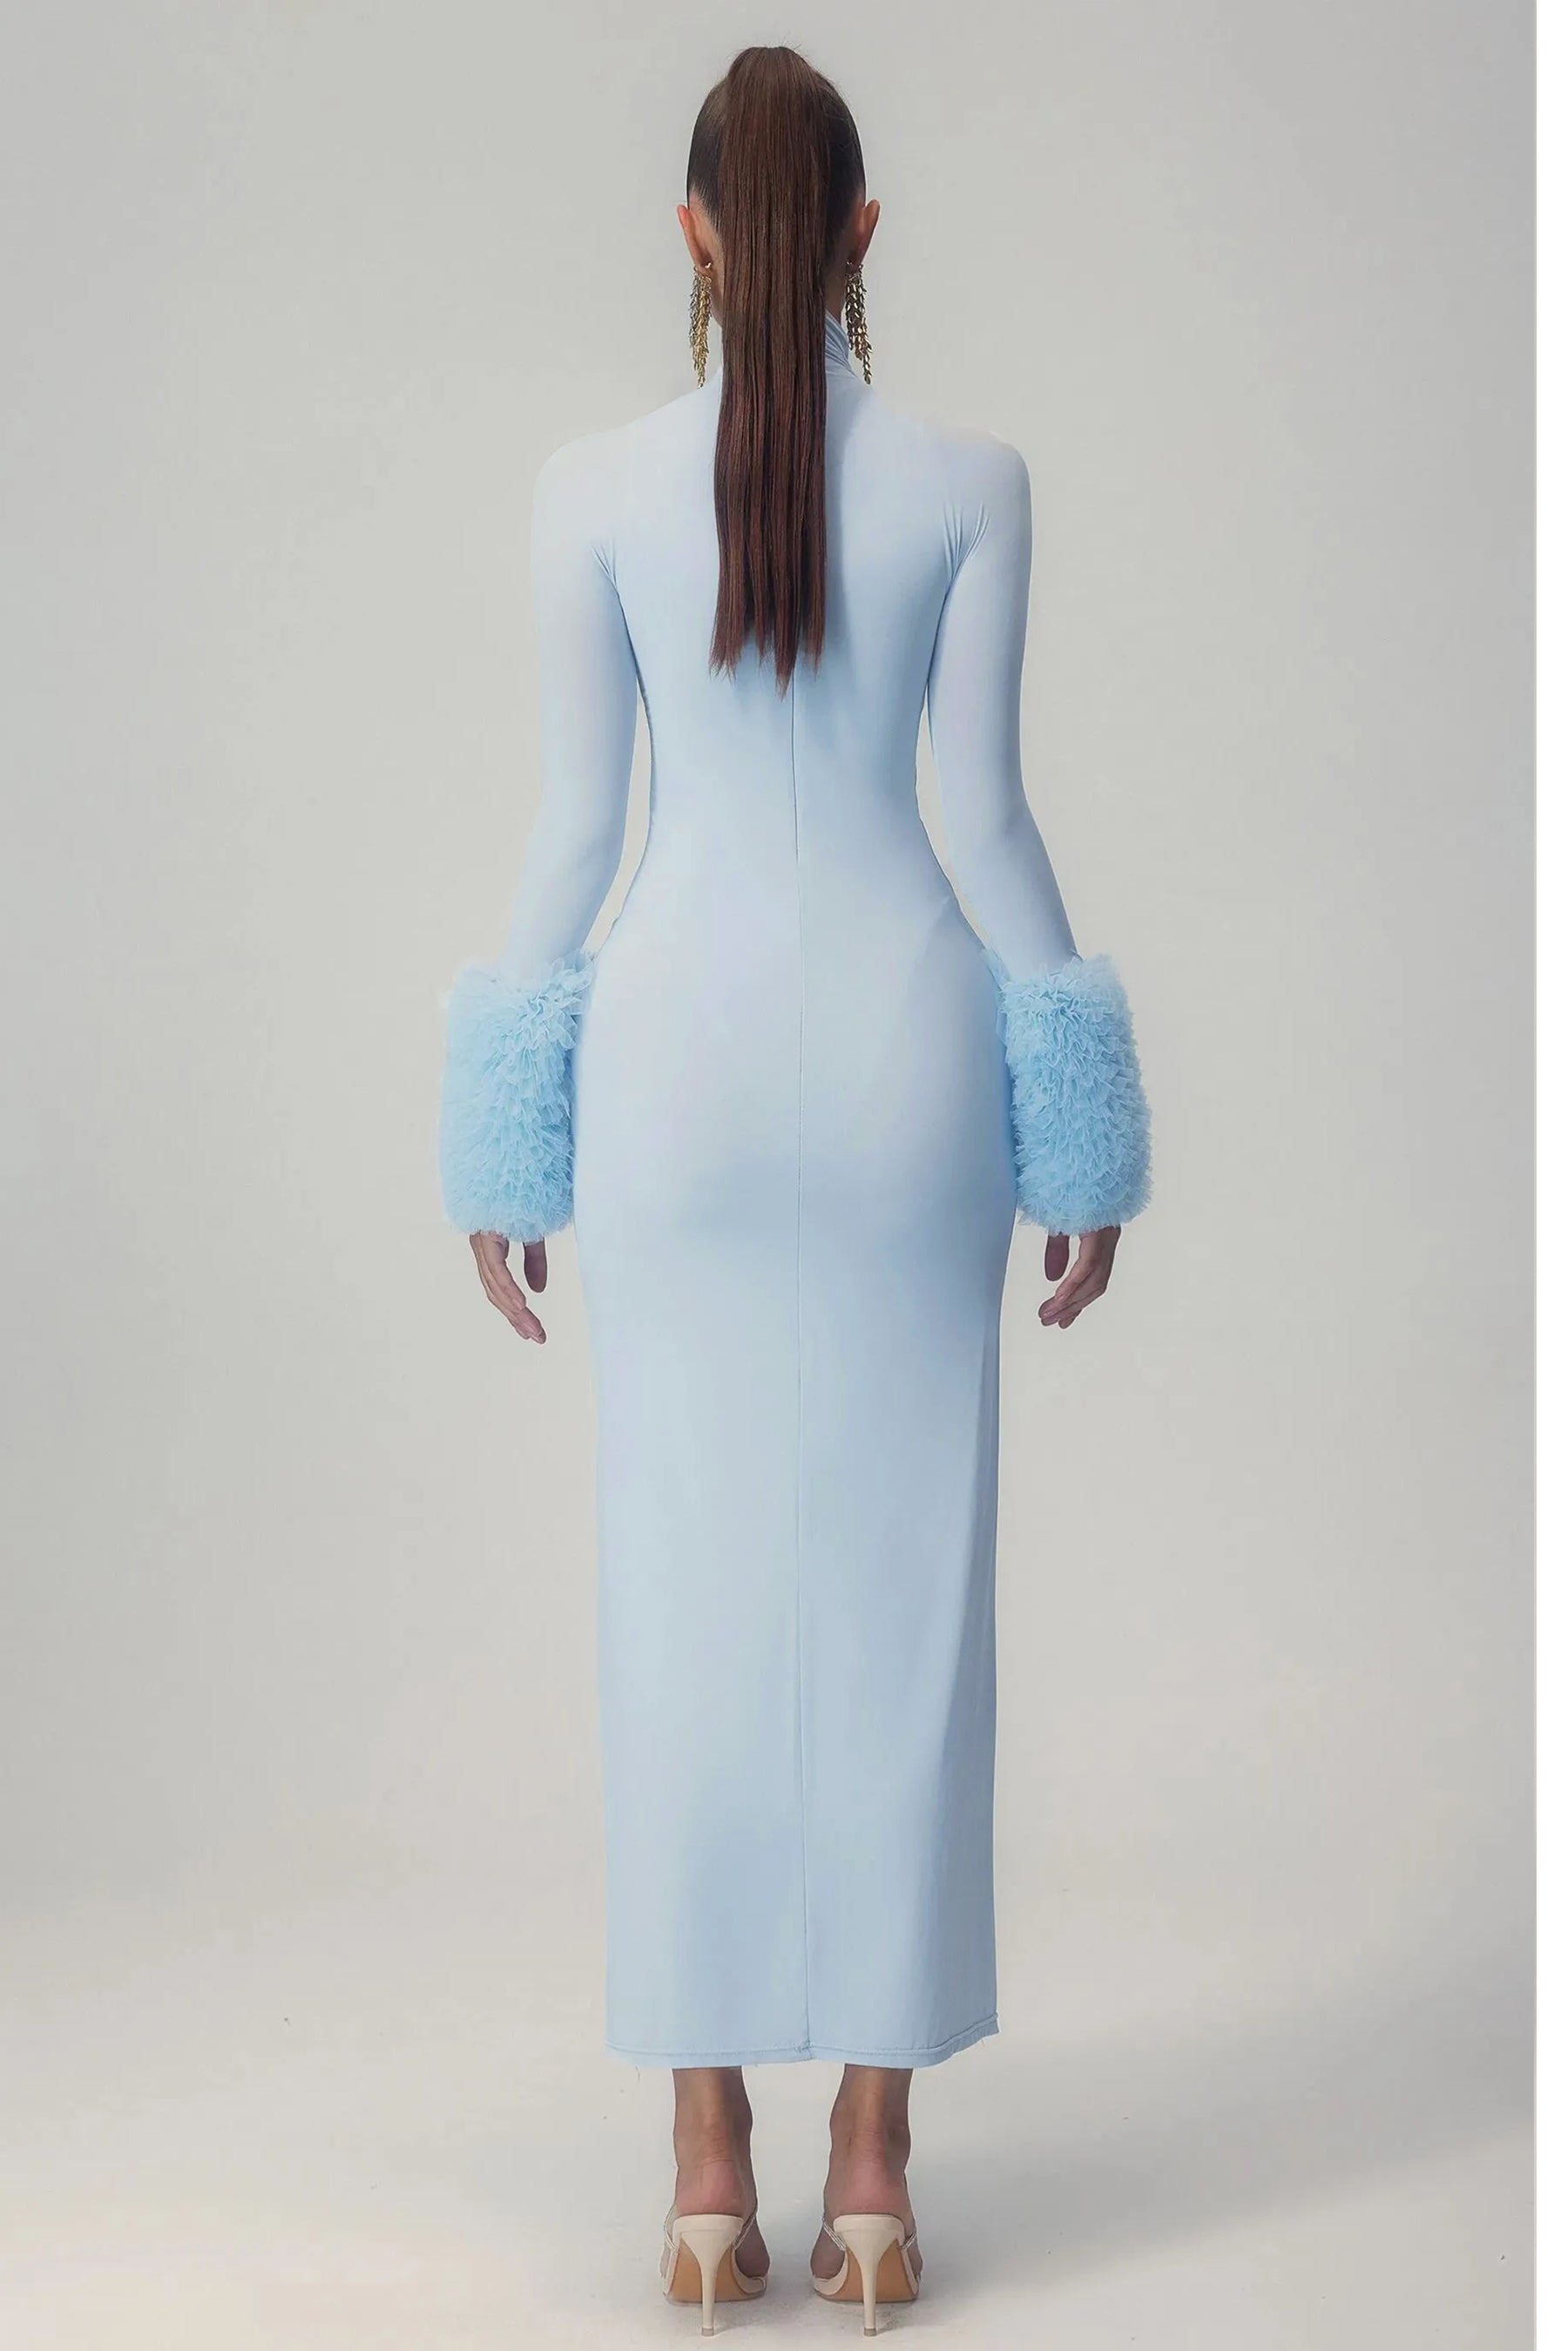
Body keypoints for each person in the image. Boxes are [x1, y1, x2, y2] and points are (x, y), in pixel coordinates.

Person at [438, 43, 1150, 2337]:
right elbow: (991, 822)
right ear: (858, 237)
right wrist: (1083, 1122)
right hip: (912, 1066)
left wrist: (502, 1132)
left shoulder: (585, 493)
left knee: (683, 1603)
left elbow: (575, 836)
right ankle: (870, 2170)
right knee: (906, 1601)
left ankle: (700, 2169)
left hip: (676, 1071)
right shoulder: (974, 482)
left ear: (687, 235)